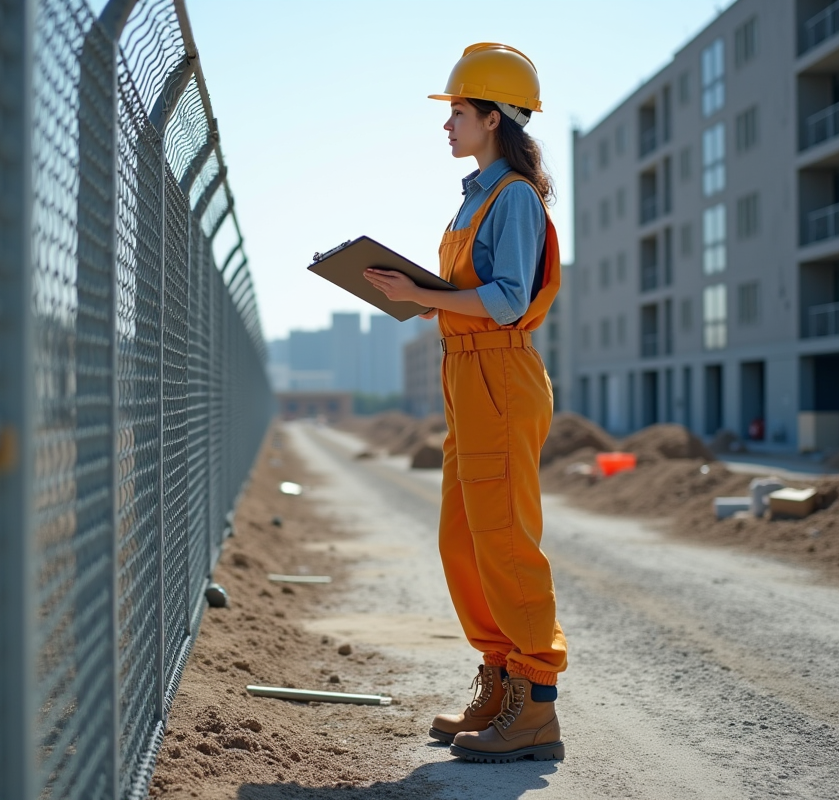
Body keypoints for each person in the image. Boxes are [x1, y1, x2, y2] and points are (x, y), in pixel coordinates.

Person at [362, 43, 566, 764]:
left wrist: (424, 295)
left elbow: (509, 301)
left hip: (500, 378)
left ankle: (535, 705)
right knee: (463, 540)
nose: (447, 125)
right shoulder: (476, 196)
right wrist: (418, 300)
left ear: (493, 117)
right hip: (466, 376)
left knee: (505, 539)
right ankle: (499, 675)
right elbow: (471, 300)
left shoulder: (511, 196)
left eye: (457, 112)